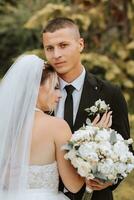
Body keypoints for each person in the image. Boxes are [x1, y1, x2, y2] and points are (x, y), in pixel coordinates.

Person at [42, 17, 131, 200]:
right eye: (49, 48)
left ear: (80, 44)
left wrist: (110, 180)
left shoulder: (110, 93)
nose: (56, 54)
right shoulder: (37, 95)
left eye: (63, 45)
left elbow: (126, 149)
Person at [0, 54, 85, 200]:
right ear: (35, 87)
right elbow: (74, 186)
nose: (60, 95)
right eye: (56, 87)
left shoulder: (5, 125)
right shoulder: (57, 127)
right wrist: (90, 143)